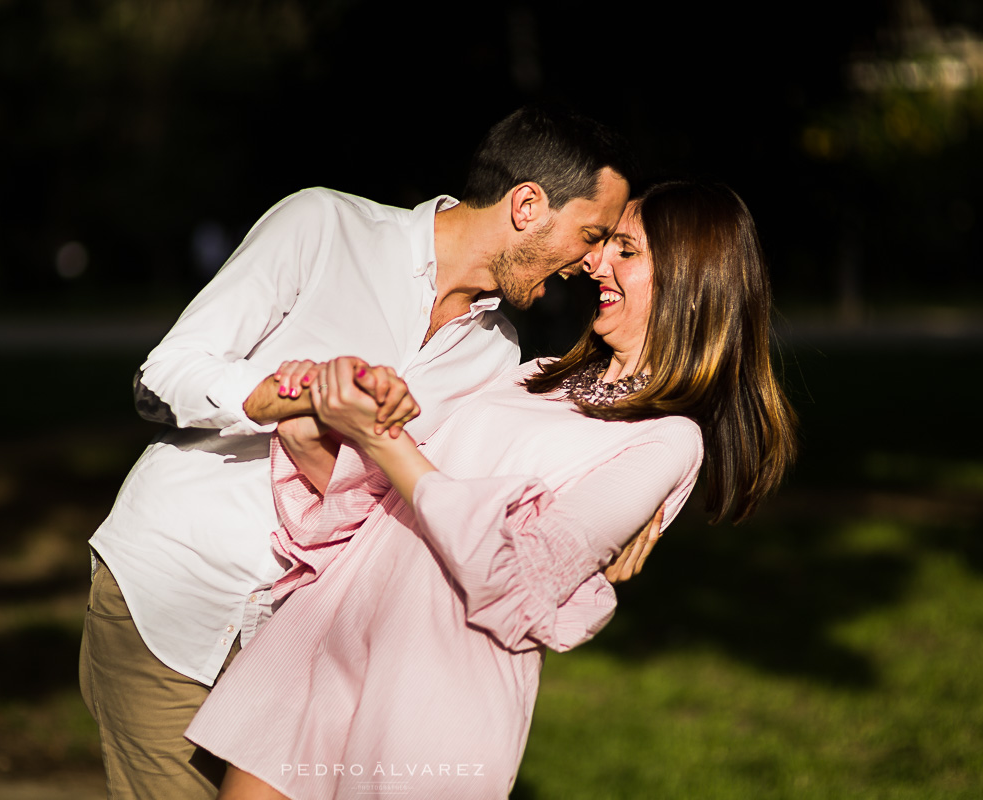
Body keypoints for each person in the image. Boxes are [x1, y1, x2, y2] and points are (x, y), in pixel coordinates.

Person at [80, 105, 639, 798]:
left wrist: (634, 510)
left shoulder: (496, 356)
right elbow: (162, 379)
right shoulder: (322, 226)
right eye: (590, 234)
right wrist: (299, 391)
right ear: (528, 206)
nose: (591, 262)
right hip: (170, 596)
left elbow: (466, 495)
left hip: (299, 647)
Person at [185, 181, 800, 800]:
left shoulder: (668, 442)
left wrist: (383, 439)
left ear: (691, 279)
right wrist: (316, 422)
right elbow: (399, 501)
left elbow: (520, 576)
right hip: (334, 634)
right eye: (602, 244)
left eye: (625, 251)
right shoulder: (534, 377)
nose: (594, 263)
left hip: (436, 688)